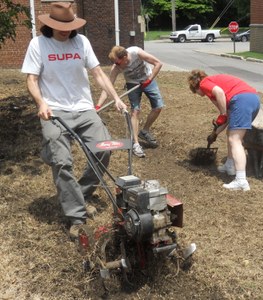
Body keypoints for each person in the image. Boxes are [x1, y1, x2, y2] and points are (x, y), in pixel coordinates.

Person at [21, 2, 127, 240]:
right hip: (54, 111)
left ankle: (81, 191)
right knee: (61, 162)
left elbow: (98, 73)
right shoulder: (38, 44)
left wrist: (116, 98)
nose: (65, 30)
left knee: (104, 150)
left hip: (84, 108)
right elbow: (31, 79)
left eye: (69, 26)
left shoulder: (82, 42)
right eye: (60, 26)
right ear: (49, 24)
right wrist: (41, 103)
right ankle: (77, 217)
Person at [188, 70, 260, 191]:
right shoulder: (216, 86)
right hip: (253, 100)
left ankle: (241, 180)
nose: (198, 94)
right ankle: (230, 165)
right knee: (231, 133)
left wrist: (222, 113)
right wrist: (215, 133)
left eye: (195, 92)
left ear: (195, 85)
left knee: (235, 139)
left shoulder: (204, 83)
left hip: (241, 100)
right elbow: (228, 117)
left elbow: (219, 93)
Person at [96, 45, 164, 157]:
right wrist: (98, 106)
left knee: (158, 107)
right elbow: (108, 87)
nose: (116, 65)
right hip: (132, 83)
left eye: (118, 62)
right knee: (135, 111)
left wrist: (149, 79)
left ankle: (145, 131)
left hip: (148, 79)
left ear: (124, 57)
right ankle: (136, 144)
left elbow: (158, 63)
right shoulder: (116, 67)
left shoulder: (136, 52)